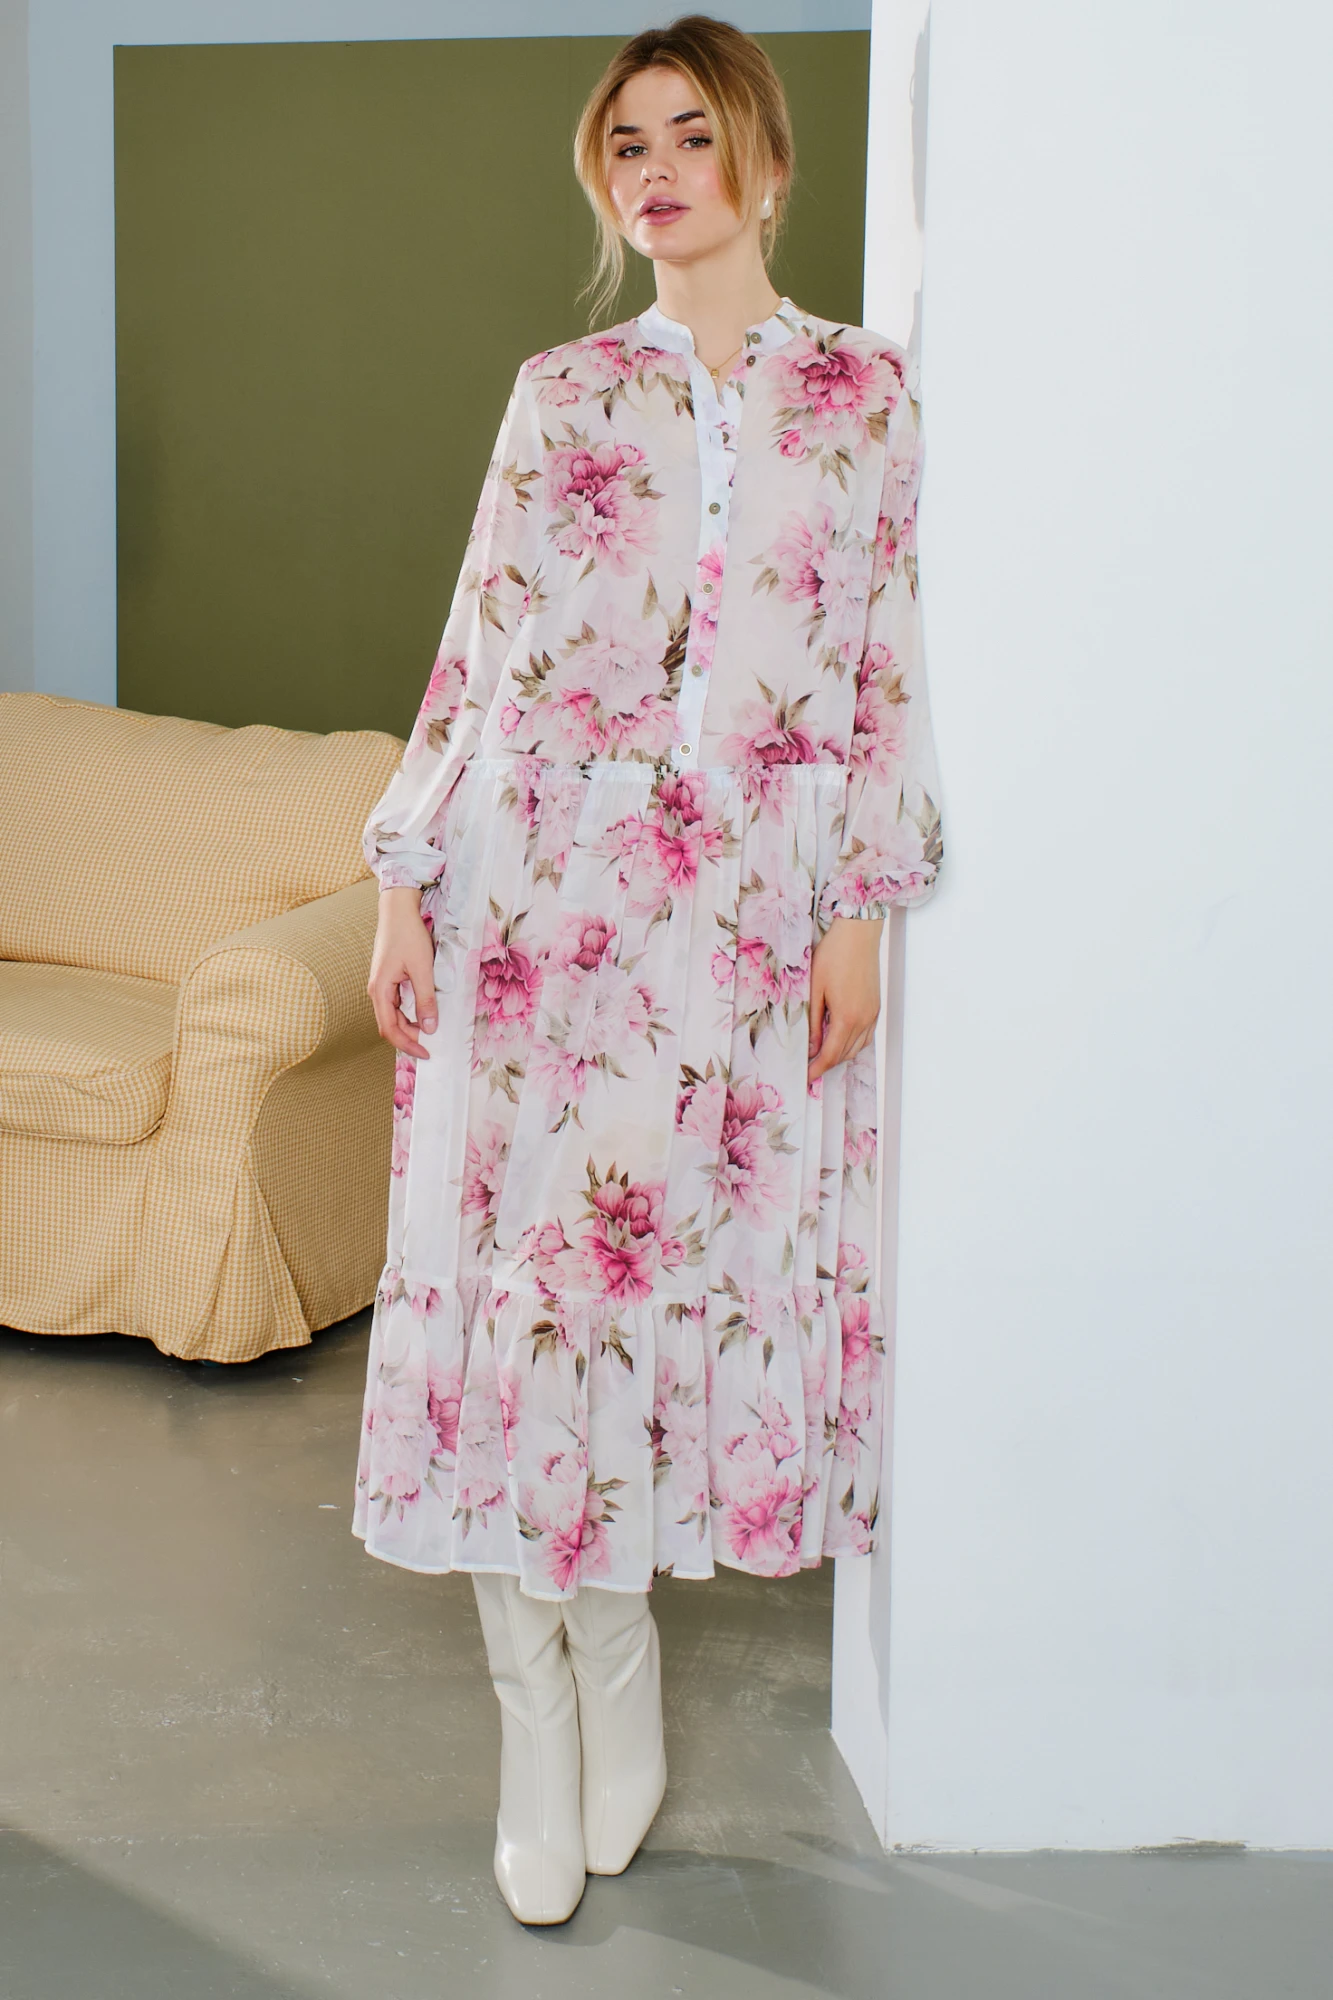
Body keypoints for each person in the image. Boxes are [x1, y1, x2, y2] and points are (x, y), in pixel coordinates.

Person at [355, 12, 942, 1927]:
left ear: (764, 162)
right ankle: (547, 1707)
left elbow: (879, 661)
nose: (660, 170)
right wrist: (404, 877)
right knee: (526, 1308)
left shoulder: (862, 396)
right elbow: (480, 646)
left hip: (746, 920)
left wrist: (858, 906)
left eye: (693, 135)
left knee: (662, 1290)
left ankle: (622, 1664)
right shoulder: (562, 394)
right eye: (629, 145)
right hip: (544, 899)